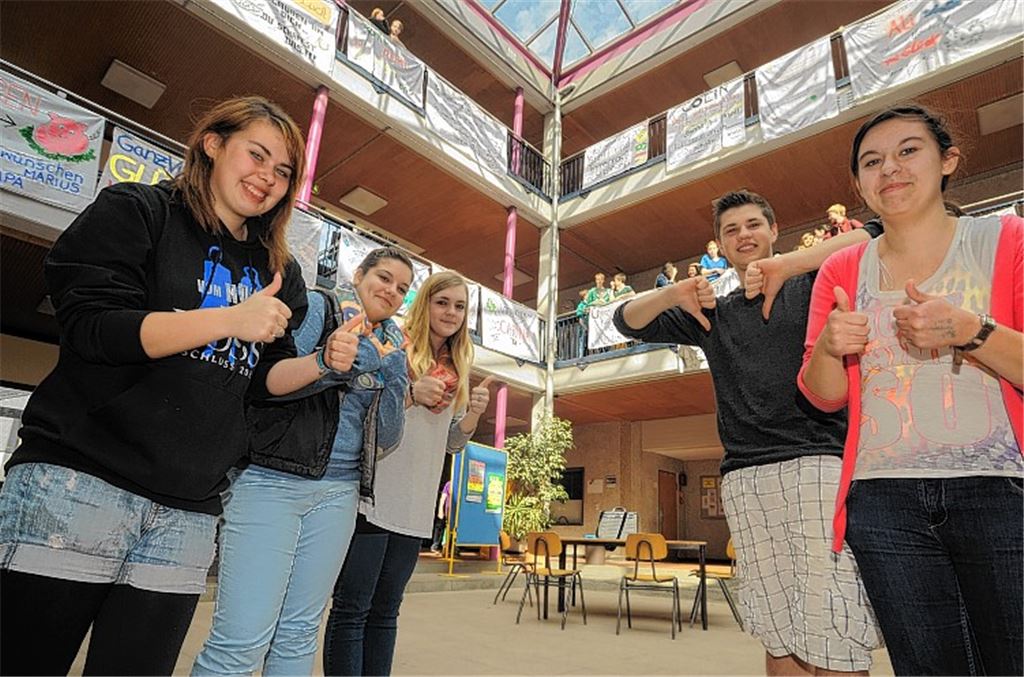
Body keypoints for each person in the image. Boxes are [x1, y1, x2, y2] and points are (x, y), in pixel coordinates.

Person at [0, 97, 309, 676]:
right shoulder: (140, 210)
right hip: (77, 484)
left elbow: (263, 381)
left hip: (187, 513)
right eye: (257, 155)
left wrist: (326, 365)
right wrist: (226, 319)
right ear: (213, 144)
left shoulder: (278, 271)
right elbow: (93, 328)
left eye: (283, 171)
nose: (268, 177)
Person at [614, 190, 884, 676]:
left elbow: (876, 235)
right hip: (744, 475)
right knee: (774, 625)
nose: (744, 235)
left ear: (774, 230)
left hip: (817, 463)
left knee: (833, 620)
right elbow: (626, 321)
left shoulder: (813, 283)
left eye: (754, 224)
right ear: (718, 243)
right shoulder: (712, 313)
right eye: (731, 230)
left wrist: (787, 266)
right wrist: (674, 293)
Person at [799, 104, 1022, 676]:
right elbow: (822, 395)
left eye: (908, 151)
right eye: (871, 162)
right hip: (883, 500)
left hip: (1001, 491)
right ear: (858, 185)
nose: (889, 169)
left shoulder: (1007, 239)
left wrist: (972, 331)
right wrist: (829, 349)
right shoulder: (842, 269)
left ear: (948, 160)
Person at [193, 247, 413, 676]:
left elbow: (386, 439)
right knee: (242, 636)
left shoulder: (391, 347)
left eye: (402, 288)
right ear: (360, 276)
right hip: (272, 479)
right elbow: (266, 386)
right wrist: (331, 364)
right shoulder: (318, 306)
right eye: (384, 278)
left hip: (340, 492)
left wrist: (393, 376)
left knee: (299, 633)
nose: (391, 291)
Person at [322, 271, 495, 677]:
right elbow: (358, 406)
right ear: (425, 304)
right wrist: (410, 394)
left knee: (386, 610)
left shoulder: (459, 367)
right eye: (442, 302)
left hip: (416, 503)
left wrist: (473, 414)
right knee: (352, 607)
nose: (450, 312)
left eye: (459, 305)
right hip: (374, 491)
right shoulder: (393, 344)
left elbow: (451, 443)